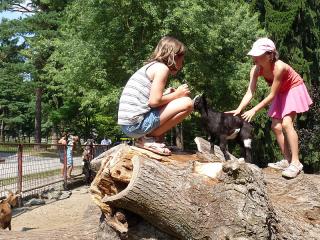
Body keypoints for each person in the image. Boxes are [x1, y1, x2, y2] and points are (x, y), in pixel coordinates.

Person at [226, 37, 312, 178]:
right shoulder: (256, 69)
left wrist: (254, 110)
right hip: (280, 92)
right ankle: (288, 160)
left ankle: (296, 163)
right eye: (254, 54)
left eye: (258, 55)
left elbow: (272, 95)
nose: (255, 57)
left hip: (293, 89)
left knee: (286, 123)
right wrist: (239, 108)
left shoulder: (279, 67)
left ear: (270, 54)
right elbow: (250, 92)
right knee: (276, 127)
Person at [118, 36, 193, 155]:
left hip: (128, 125)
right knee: (187, 103)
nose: (182, 63)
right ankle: (147, 138)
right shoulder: (162, 69)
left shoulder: (152, 67)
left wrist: (167, 95)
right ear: (173, 56)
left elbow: (150, 100)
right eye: (182, 59)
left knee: (175, 99)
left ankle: (147, 138)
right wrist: (178, 94)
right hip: (136, 125)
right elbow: (154, 102)